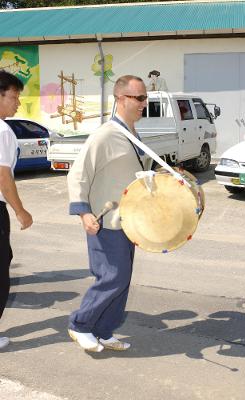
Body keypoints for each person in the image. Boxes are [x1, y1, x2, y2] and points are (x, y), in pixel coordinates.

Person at [67, 75, 148, 352]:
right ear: (121, 99)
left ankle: (103, 330)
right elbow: (78, 174)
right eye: (139, 98)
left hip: (128, 222)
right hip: (105, 221)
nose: (143, 103)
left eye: (144, 97)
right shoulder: (105, 134)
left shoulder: (132, 133)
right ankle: (80, 325)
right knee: (112, 276)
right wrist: (83, 212)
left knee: (122, 279)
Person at [0, 70, 33, 350]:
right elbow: (2, 175)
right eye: (13, 97)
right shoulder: (1, 131)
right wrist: (20, 210)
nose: (17, 103)